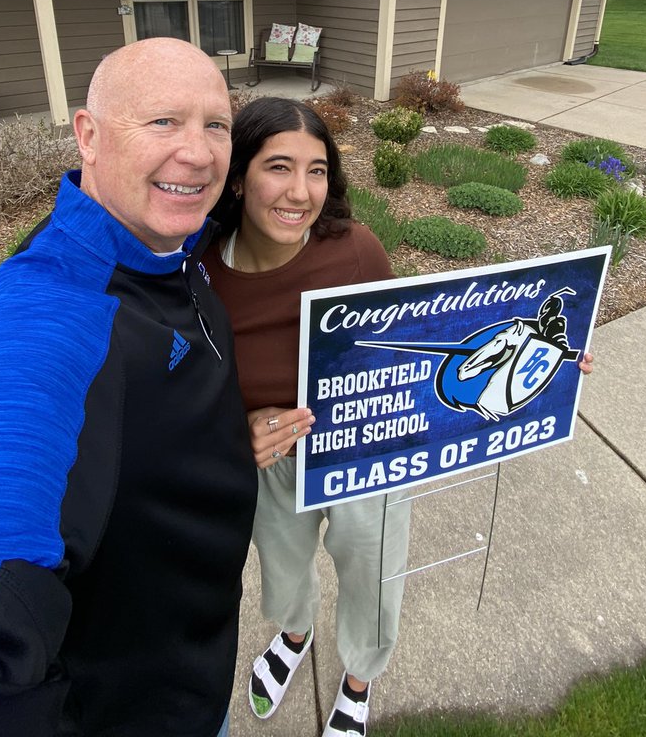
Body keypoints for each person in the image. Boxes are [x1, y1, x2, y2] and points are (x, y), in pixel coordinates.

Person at [0, 39, 257, 737]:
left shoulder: (170, 245)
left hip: (198, 660)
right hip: (134, 710)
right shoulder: (51, 315)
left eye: (215, 124)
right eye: (163, 121)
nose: (198, 153)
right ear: (88, 136)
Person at [202, 96, 594, 737]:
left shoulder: (356, 251)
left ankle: (358, 679)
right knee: (281, 562)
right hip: (273, 465)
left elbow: (436, 342)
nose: (300, 192)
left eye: (318, 170)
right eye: (279, 167)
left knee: (370, 566)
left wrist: (553, 359)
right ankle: (295, 635)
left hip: (368, 451)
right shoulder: (205, 274)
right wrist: (232, 432)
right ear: (240, 176)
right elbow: (193, 387)